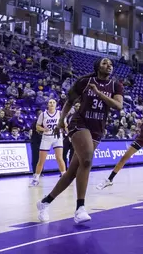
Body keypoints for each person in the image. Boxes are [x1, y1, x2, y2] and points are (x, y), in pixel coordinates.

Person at [36, 58, 124, 224]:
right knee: (87, 159)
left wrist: (98, 93)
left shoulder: (115, 86)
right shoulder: (85, 81)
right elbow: (70, 101)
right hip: (80, 123)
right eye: (105, 63)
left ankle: (44, 202)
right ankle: (80, 208)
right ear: (98, 66)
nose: (109, 66)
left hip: (98, 128)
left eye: (111, 64)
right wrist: (62, 120)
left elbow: (118, 106)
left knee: (72, 172)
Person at [29, 99, 67, 186]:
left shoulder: (60, 114)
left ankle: (64, 177)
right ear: (47, 105)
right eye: (50, 102)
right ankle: (36, 179)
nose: (52, 104)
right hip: (46, 137)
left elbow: (65, 125)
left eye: (53, 102)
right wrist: (43, 129)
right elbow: (37, 126)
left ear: (56, 104)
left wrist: (69, 134)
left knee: (59, 158)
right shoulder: (43, 114)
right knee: (41, 160)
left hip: (57, 137)